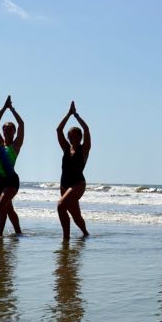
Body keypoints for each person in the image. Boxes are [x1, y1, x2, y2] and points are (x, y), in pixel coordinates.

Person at [56, 100, 91, 239]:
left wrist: (76, 115)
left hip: (77, 184)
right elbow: (58, 130)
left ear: (80, 137)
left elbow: (87, 129)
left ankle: (66, 238)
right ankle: (86, 235)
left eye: (75, 136)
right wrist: (67, 114)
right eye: (70, 137)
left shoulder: (84, 149)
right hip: (64, 184)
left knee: (60, 206)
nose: (72, 139)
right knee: (76, 215)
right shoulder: (66, 148)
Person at [0, 95, 24, 236]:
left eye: (11, 129)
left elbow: (22, 124)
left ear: (14, 132)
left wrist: (12, 109)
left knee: (1, 204)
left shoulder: (15, 145)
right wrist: (4, 108)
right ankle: (18, 232)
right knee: (8, 209)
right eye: (5, 129)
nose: (7, 131)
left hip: (11, 180)